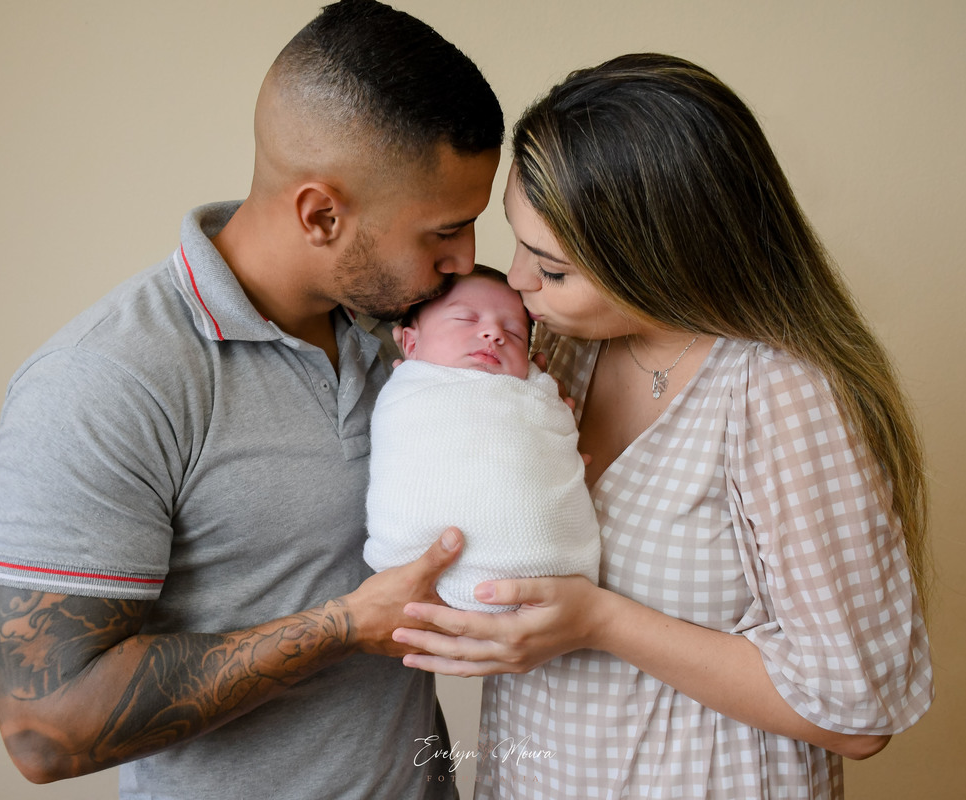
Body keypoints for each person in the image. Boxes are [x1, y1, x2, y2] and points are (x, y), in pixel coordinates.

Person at [0, 1, 502, 797]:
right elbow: (46, 729)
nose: (467, 260)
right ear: (321, 214)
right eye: (442, 232)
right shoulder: (105, 381)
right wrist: (346, 626)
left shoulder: (404, 331)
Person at [394, 53, 934, 799]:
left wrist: (601, 623)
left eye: (551, 270)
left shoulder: (782, 397)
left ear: (660, 259)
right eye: (517, 243)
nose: (516, 282)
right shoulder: (555, 352)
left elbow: (857, 714)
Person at [363, 266, 601, 612]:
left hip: (546, 581)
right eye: (466, 319)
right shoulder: (408, 392)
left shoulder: (536, 395)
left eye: (515, 333)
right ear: (412, 344)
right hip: (415, 576)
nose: (493, 333)